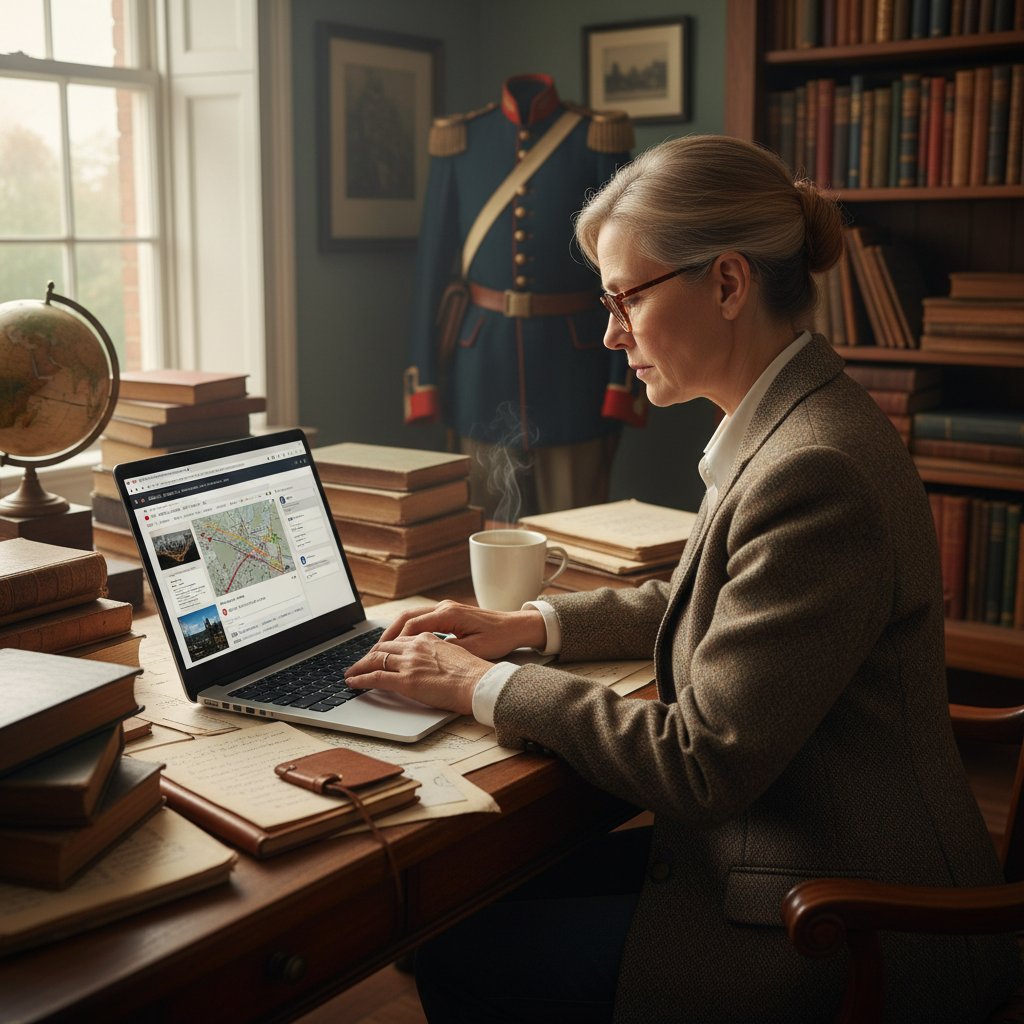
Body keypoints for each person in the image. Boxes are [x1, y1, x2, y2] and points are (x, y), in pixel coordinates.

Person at [347, 135, 1023, 1022]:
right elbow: (697, 601)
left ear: (729, 283)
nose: (608, 331)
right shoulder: (793, 419)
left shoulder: (813, 469)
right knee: (464, 901)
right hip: (793, 842)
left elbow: (702, 764)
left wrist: (488, 686)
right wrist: (530, 628)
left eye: (625, 296)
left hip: (848, 916)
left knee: (462, 947)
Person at [404, 73, 646, 520]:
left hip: (573, 371)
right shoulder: (462, 139)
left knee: (576, 528)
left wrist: (621, 382)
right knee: (485, 528)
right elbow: (432, 270)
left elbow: (625, 271)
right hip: (480, 367)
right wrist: (425, 381)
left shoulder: (594, 136)